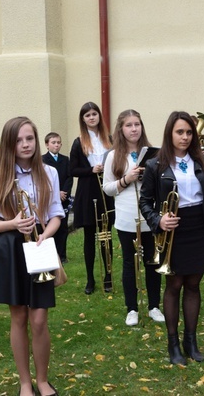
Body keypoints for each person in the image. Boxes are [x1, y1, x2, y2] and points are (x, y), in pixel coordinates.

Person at [0, 117, 64, 396]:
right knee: (18, 318)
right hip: (11, 247)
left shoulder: (50, 172)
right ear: (10, 144)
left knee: (39, 318)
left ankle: (42, 379)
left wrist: (46, 234)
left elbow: (56, 214)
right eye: (19, 140)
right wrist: (13, 224)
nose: (26, 144)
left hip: (38, 244)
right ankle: (25, 382)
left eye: (30, 138)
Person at [139, 111, 204, 366]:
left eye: (188, 132)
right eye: (179, 132)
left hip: (199, 228)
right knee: (174, 286)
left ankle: (191, 341)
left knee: (194, 285)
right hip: (172, 230)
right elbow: (145, 201)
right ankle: (173, 343)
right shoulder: (155, 164)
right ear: (169, 134)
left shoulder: (203, 163)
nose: (185, 137)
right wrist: (158, 221)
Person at [102, 110, 165, 326]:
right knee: (130, 263)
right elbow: (107, 188)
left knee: (152, 262)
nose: (134, 129)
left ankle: (154, 306)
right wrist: (126, 179)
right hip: (127, 217)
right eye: (129, 125)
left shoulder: (154, 153)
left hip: (150, 217)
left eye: (137, 124)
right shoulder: (113, 156)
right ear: (121, 129)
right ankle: (132, 308)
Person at [69, 102, 115, 295]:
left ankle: (108, 277)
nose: (91, 118)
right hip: (87, 191)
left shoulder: (109, 140)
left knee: (106, 235)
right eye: (87, 115)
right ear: (83, 119)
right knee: (89, 236)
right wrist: (91, 169)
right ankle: (90, 279)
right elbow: (72, 170)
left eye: (94, 114)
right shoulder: (78, 142)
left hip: (105, 189)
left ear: (99, 116)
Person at [42, 132, 73, 263]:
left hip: (63, 198)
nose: (56, 145)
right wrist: (56, 193)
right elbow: (44, 179)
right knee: (51, 226)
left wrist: (64, 192)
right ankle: (51, 253)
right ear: (47, 145)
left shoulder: (65, 159)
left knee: (63, 227)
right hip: (50, 199)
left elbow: (69, 177)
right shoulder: (42, 160)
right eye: (53, 143)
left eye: (58, 142)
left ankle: (62, 254)